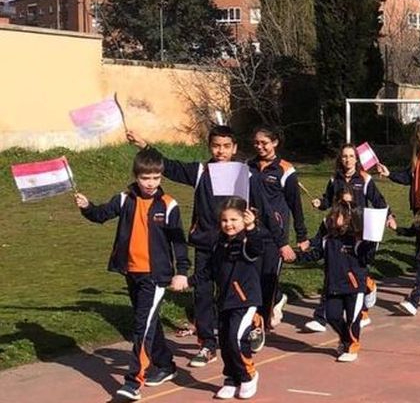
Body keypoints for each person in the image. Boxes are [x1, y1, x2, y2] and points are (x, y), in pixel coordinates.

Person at [126, 126, 288, 367]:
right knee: (202, 294)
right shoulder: (201, 171)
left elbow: (263, 207)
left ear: (234, 148)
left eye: (225, 146)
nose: (220, 151)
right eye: (215, 146)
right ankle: (207, 345)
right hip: (206, 243)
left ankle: (254, 324)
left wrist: (279, 241)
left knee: (236, 293)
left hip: (237, 245)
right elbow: (169, 166)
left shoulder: (246, 174)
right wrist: (144, 145)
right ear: (209, 146)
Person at [74, 149, 190, 401]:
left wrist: (181, 272)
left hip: (156, 276)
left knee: (141, 327)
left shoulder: (168, 204)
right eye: (146, 178)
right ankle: (166, 365)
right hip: (131, 272)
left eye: (156, 178)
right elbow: (100, 215)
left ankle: (133, 382)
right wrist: (87, 207)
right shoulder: (124, 199)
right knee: (149, 323)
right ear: (136, 176)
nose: (151, 184)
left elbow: (178, 242)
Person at [306, 147, 391, 332]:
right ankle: (321, 317)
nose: (347, 159)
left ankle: (367, 289)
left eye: (351, 156)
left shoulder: (365, 179)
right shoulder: (334, 179)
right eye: (344, 156)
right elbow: (328, 200)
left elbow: (379, 201)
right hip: (338, 230)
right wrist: (320, 203)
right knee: (332, 271)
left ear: (357, 159)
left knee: (358, 270)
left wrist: (389, 217)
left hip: (360, 232)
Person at [199, 198, 268, 400]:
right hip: (224, 300)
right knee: (226, 343)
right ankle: (231, 378)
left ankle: (248, 375)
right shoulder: (219, 244)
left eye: (234, 219)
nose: (229, 224)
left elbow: (257, 248)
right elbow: (210, 271)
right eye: (224, 220)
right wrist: (188, 280)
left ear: (243, 219)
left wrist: (252, 227)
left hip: (245, 300)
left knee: (236, 339)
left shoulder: (247, 240)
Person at [295, 201, 377, 363]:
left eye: (337, 214)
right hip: (333, 286)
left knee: (353, 319)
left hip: (354, 287)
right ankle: (346, 339)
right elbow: (315, 255)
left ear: (348, 218)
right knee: (332, 316)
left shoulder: (357, 240)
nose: (332, 217)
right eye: (332, 214)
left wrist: (370, 242)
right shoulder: (327, 239)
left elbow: (366, 257)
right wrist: (294, 258)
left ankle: (352, 346)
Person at [248, 127, 309, 331]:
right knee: (252, 277)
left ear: (275, 143)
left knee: (268, 278)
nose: (260, 146)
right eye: (256, 143)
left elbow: (295, 205)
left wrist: (301, 235)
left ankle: (261, 324)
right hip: (251, 230)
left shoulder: (285, 170)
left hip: (276, 234)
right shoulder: (248, 166)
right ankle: (276, 299)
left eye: (264, 142)